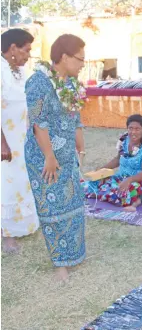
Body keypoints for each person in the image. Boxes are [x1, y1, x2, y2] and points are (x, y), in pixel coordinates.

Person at [25, 34, 86, 282]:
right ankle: (60, 263)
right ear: (64, 57)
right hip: (44, 158)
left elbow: (76, 117)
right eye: (80, 59)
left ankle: (74, 254)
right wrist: (49, 157)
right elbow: (39, 123)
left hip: (68, 156)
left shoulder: (70, 83)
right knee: (52, 208)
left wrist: (80, 147)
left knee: (73, 203)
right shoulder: (38, 82)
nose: (83, 64)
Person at [1, 28, 39, 254]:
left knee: (19, 182)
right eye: (26, 50)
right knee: (4, 184)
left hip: (20, 137)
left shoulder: (20, 71)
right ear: (13, 48)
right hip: (4, 139)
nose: (28, 55)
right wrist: (2, 143)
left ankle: (19, 226)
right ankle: (5, 234)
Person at [86, 114, 142, 206]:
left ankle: (104, 193)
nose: (133, 132)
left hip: (138, 181)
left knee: (124, 194)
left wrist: (129, 180)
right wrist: (100, 170)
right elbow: (118, 159)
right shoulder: (124, 140)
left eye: (137, 129)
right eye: (130, 128)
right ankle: (104, 192)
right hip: (120, 177)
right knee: (94, 181)